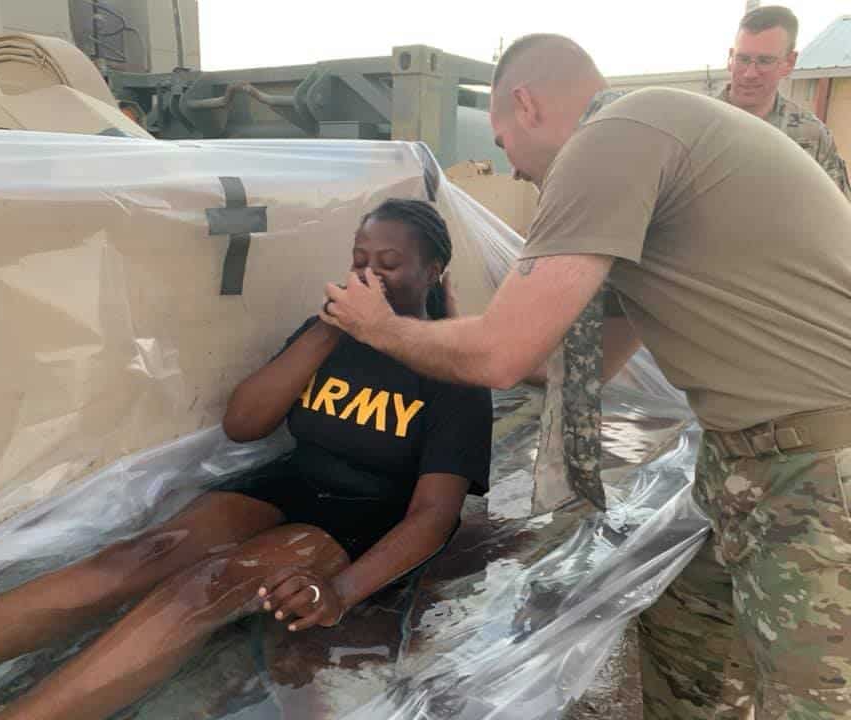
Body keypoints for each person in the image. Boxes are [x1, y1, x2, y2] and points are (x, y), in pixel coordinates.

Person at [323, 34, 851, 719]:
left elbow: (501, 355)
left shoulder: (615, 138)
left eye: (504, 144)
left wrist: (381, 328)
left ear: (525, 105)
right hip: (748, 460)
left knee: (810, 696)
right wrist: (446, 331)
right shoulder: (654, 157)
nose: (511, 170)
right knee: (686, 643)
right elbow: (565, 364)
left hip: (820, 469)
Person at [0, 199, 492, 720]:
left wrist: (340, 590)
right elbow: (244, 423)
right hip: (290, 482)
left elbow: (433, 518)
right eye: (360, 259)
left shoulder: (454, 369)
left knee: (201, 589)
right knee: (136, 556)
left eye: (389, 264)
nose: (369, 274)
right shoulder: (325, 333)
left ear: (433, 270)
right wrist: (331, 332)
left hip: (364, 515)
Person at [720, 5, 851, 198]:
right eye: (743, 59)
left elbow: (839, 214)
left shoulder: (812, 136)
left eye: (764, 61)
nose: (750, 74)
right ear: (731, 57)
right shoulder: (695, 125)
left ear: (789, 62)